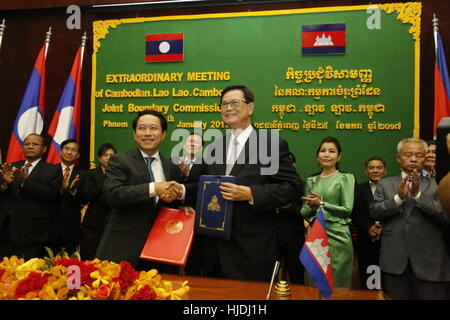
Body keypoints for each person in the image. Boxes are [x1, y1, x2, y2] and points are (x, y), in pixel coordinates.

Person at [185, 84, 303, 281]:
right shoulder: (214, 147)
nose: (228, 108)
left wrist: (251, 194)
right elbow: (199, 185)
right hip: (214, 253)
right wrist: (179, 192)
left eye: (234, 103)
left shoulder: (270, 144)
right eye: (223, 104)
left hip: (252, 252)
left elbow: (292, 187)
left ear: (250, 108)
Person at [95, 110, 184, 271]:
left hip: (160, 250)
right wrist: (153, 188)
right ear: (135, 134)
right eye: (142, 128)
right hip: (123, 248)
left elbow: (170, 206)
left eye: (153, 128)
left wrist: (176, 201)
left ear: (163, 134)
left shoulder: (171, 167)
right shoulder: (119, 161)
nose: (148, 133)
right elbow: (113, 195)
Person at [371, 138, 450, 299]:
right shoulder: (384, 184)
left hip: (430, 262)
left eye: (419, 155)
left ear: (426, 157)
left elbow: (446, 216)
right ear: (398, 158)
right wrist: (398, 198)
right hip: (394, 262)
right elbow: (374, 212)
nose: (413, 159)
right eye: (408, 154)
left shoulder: (439, 184)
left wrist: (418, 196)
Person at [301, 136, 355, 289]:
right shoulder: (312, 180)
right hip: (316, 235)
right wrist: (312, 207)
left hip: (338, 235)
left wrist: (322, 203)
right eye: (323, 151)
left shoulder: (346, 178)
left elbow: (347, 210)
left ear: (339, 156)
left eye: (331, 151)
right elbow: (303, 212)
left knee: (338, 281)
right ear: (318, 155)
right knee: (314, 280)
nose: (326, 154)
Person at [0, 134, 60, 260]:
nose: (30, 147)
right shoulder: (11, 166)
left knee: (28, 272)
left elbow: (50, 194)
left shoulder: (53, 170)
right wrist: (5, 184)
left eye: (35, 144)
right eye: (27, 144)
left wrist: (24, 182)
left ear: (44, 149)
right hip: (6, 229)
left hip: (33, 231)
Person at [352, 156, 387, 289]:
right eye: (371, 168)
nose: (375, 170)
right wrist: (368, 227)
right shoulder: (358, 189)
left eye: (379, 167)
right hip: (367, 242)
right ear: (366, 172)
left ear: (385, 171)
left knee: (389, 281)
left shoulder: (394, 187)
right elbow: (354, 213)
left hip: (389, 241)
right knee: (370, 281)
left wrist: (384, 227)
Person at [51, 139, 90, 255]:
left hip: (71, 225)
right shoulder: (48, 170)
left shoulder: (84, 174)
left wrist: (73, 191)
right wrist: (61, 189)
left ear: (78, 155)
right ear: (60, 151)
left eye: (73, 150)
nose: (69, 152)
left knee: (69, 262)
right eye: (67, 149)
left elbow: (86, 197)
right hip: (49, 223)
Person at [80, 143, 117, 260]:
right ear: (99, 158)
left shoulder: (120, 175)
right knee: (90, 256)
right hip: (94, 221)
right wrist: (106, 178)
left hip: (113, 220)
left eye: (111, 155)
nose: (108, 157)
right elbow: (88, 195)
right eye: (105, 155)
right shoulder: (90, 174)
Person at [276, 152, 305, 284]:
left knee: (296, 276)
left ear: (294, 164)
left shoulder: (301, 185)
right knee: (271, 277)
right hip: (272, 239)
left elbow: (306, 212)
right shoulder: (270, 185)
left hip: (294, 238)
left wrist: (288, 207)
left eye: (290, 162)